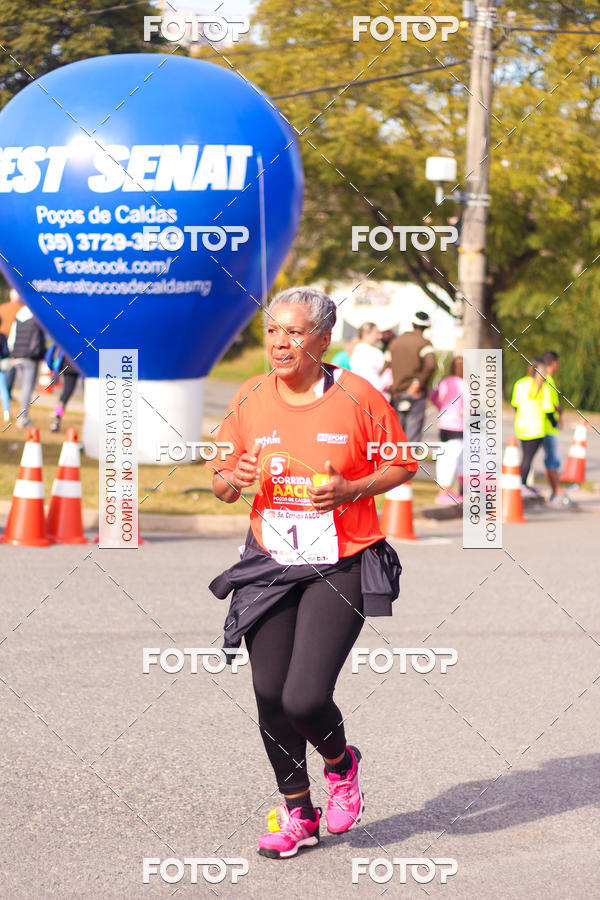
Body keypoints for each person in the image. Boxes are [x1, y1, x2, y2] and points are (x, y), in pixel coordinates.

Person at [210, 287, 417, 860]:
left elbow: (403, 462)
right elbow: (222, 485)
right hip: (267, 562)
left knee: (304, 698)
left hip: (341, 558)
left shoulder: (357, 396)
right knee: (269, 694)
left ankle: (341, 764)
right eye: (273, 331)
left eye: (295, 332)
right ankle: (298, 811)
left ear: (324, 340)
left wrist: (352, 488)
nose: (281, 342)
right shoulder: (249, 396)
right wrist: (236, 478)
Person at [389, 311, 436, 443]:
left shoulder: (395, 343)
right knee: (411, 440)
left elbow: (386, 367)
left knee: (396, 437)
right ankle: (408, 463)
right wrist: (418, 383)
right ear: (427, 327)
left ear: (412, 324)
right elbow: (431, 364)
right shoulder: (424, 343)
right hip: (415, 394)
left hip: (396, 393)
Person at [511, 358, 556, 495]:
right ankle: (522, 485)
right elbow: (548, 410)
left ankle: (523, 484)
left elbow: (515, 405)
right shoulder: (542, 386)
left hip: (521, 425)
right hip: (536, 427)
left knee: (525, 456)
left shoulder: (520, 384)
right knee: (528, 458)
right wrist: (555, 423)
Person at [540, 350, 575, 507]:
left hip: (544, 427)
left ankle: (556, 492)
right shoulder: (548, 380)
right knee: (552, 462)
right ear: (553, 363)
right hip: (549, 428)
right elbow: (548, 406)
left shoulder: (542, 379)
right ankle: (558, 493)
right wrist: (556, 421)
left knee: (549, 462)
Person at [6, 300, 46, 427]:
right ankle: (23, 418)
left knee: (24, 387)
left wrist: (12, 353)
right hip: (30, 356)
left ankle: (22, 417)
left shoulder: (19, 314)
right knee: (27, 388)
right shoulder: (37, 315)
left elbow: (12, 336)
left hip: (18, 355)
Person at [430, 356, 463, 505]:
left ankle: (443, 490)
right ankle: (446, 491)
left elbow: (433, 396)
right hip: (458, 425)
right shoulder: (466, 384)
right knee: (455, 458)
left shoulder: (445, 382)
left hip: (443, 423)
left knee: (444, 457)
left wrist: (441, 406)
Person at [45, 343, 81, 432]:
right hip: (73, 364)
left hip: (69, 363)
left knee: (64, 396)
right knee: (65, 395)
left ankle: (56, 419)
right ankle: (57, 418)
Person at [349, 321, 385, 391]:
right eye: (376, 333)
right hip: (374, 391)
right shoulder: (375, 352)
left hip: (358, 390)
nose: (380, 336)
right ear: (365, 334)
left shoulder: (356, 349)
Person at [0, 316, 11, 423]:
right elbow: (5, 352)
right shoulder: (2, 336)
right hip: (0, 364)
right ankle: (6, 412)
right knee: (3, 389)